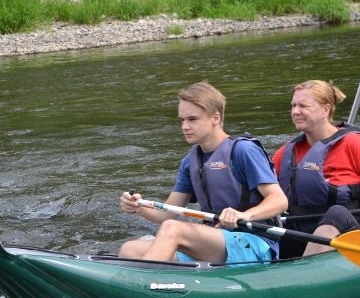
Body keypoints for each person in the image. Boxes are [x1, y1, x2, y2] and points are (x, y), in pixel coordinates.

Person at [118, 81, 288, 263]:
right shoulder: (190, 162)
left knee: (173, 228)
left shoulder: (243, 151)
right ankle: (164, 284)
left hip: (254, 243)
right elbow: (167, 213)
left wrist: (244, 215)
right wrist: (138, 208)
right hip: (215, 240)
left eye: (192, 119)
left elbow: (279, 201)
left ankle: (145, 283)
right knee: (130, 250)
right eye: (182, 120)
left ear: (215, 118)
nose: (184, 126)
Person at [273, 79, 360, 257]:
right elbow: (266, 190)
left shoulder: (354, 143)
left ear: (326, 109)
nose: (295, 111)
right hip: (305, 229)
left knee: (336, 213)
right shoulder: (286, 153)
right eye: (293, 105)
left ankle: (308, 274)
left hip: (353, 231)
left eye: (303, 106)